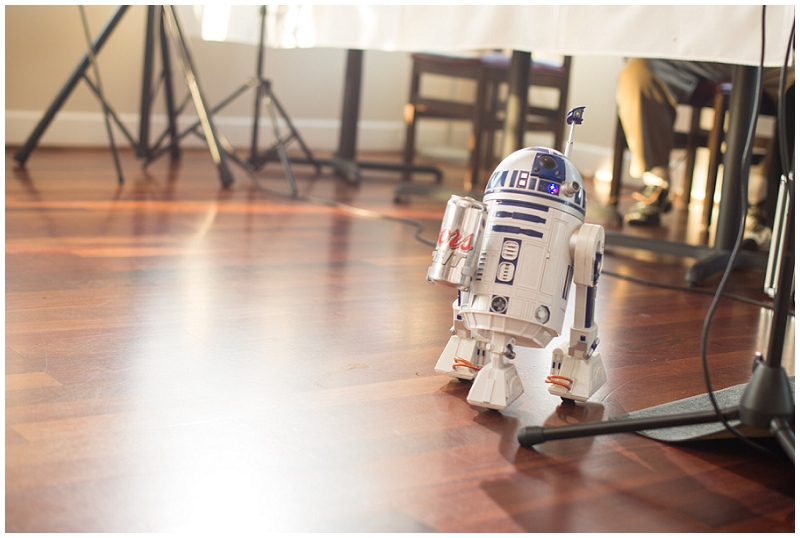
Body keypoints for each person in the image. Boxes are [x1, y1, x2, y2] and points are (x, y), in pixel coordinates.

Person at [616, 58, 794, 248]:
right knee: (638, 71)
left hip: (771, 61)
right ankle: (656, 182)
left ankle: (763, 201)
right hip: (699, 57)